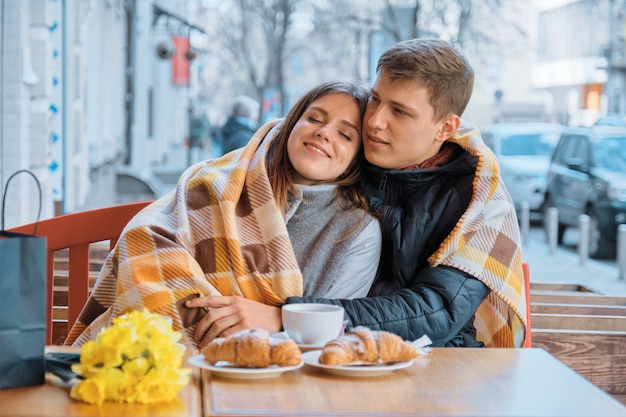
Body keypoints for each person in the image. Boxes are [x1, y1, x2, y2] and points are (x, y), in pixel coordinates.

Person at [187, 38, 528, 349]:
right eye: (376, 100)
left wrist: (284, 317)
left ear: (446, 128)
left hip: (433, 360)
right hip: (324, 349)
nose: (375, 121)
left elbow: (436, 310)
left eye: (399, 111)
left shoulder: (481, 201)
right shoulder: (350, 152)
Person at [65, 81, 382, 348]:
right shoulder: (217, 183)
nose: (325, 132)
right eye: (315, 118)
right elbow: (146, 240)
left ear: (357, 157)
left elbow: (331, 332)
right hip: (162, 355)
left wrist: (271, 320)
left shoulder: (356, 231)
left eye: (345, 134)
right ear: (292, 122)